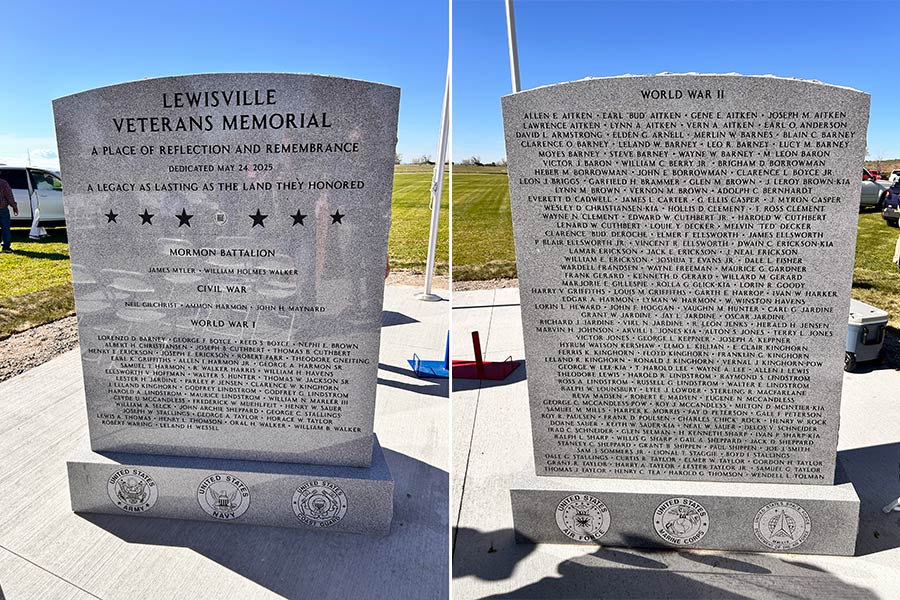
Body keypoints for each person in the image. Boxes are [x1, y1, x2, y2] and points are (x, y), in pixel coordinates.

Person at [0, 176, 18, 253]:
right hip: (2, 208)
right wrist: (14, 206)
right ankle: (6, 247)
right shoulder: (3, 183)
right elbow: (9, 196)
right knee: (5, 228)